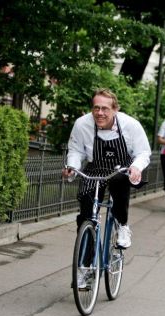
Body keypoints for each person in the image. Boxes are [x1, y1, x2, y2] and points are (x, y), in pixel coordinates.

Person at [63, 89, 151, 249]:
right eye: (96, 108)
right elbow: (76, 150)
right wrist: (72, 167)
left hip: (121, 168)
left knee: (119, 183)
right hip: (95, 169)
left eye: (105, 109)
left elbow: (143, 152)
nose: (100, 113)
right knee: (86, 214)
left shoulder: (130, 125)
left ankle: (122, 226)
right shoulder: (82, 124)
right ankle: (85, 265)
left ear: (115, 109)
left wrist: (136, 167)